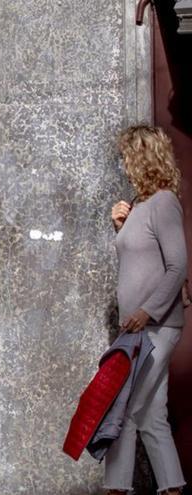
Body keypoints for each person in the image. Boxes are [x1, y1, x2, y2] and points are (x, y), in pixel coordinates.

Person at [107, 125, 186, 495]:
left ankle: (115, 489)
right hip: (139, 327)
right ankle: (172, 487)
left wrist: (148, 311)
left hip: (156, 325)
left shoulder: (164, 202)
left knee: (124, 408)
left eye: (126, 157)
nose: (123, 165)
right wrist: (121, 226)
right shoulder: (138, 206)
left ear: (142, 158)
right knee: (152, 414)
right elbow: (138, 260)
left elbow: (178, 267)